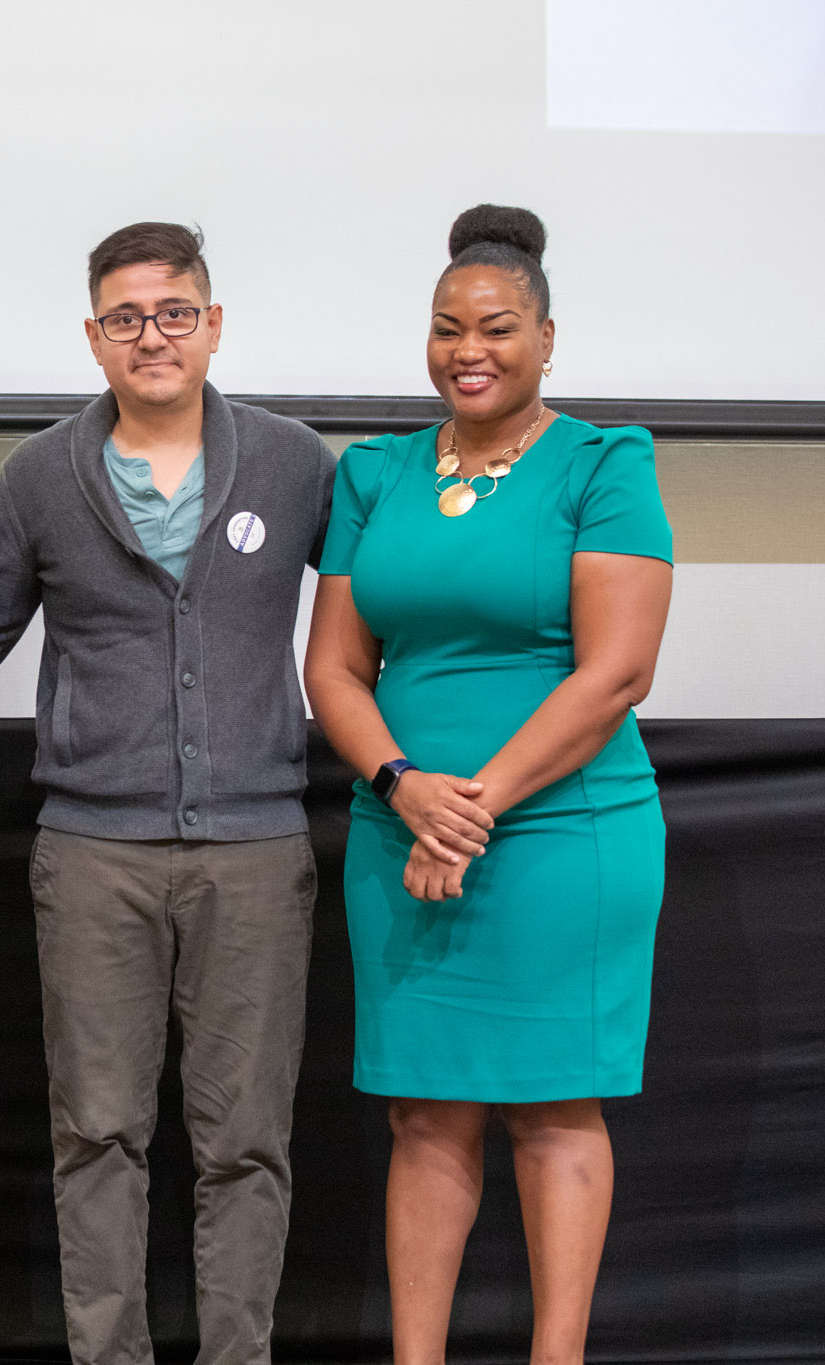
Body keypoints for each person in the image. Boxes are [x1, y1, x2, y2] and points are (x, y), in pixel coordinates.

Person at [303, 204, 672, 1364]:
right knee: (424, 1114)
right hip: (396, 828)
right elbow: (334, 667)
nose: (468, 349)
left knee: (555, 1113)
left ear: (545, 339)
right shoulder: (372, 474)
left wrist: (470, 807)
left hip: (562, 836)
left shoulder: (605, 461)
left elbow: (615, 672)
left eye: (497, 328)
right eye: (445, 328)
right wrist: (408, 787)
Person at [0, 223, 335, 1365]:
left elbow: (385, 615)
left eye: (173, 313)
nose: (152, 337)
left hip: (254, 849)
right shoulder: (36, 475)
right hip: (91, 855)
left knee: (243, 1144)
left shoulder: (293, 462)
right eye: (125, 318)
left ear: (212, 324)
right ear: (92, 337)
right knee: (96, 1135)